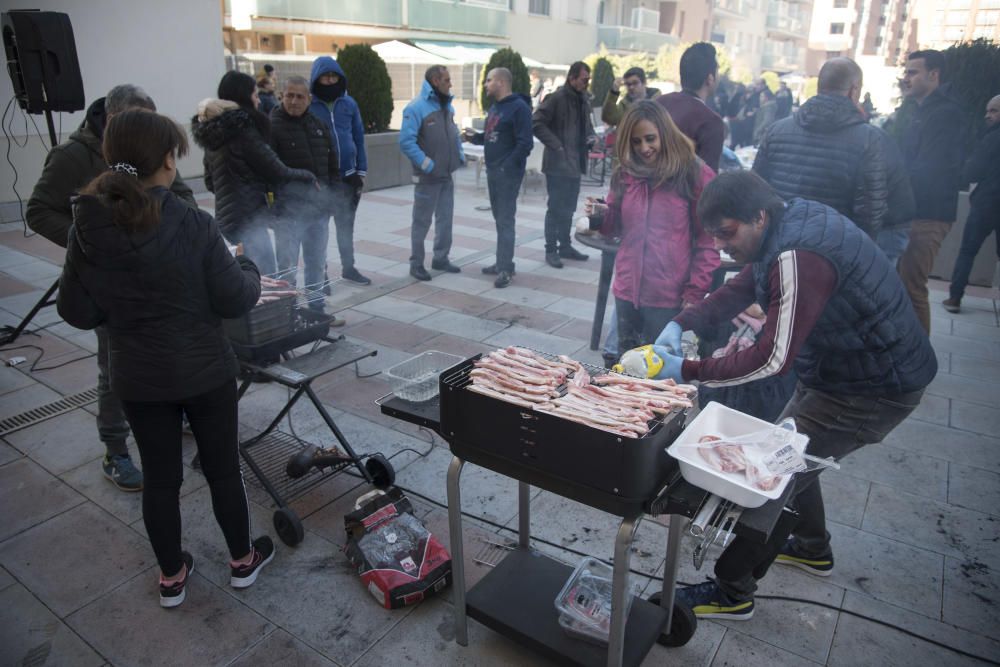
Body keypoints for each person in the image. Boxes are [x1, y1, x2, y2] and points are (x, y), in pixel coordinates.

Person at [653, 171, 936, 620]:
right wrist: (683, 322)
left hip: (874, 386)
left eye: (728, 234)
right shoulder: (786, 223)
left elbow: (771, 359)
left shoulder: (798, 253)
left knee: (771, 473)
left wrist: (687, 371)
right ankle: (811, 548)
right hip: (839, 368)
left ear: (759, 216)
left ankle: (733, 591)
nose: (723, 247)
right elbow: (743, 287)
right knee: (796, 453)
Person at [57, 109, 276, 608]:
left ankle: (172, 576)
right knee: (222, 468)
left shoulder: (86, 227)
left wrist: (116, 308)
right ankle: (243, 562)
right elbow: (235, 298)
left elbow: (75, 310)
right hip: (205, 372)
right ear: (166, 162)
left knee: (160, 477)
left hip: (136, 376)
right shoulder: (194, 223)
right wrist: (245, 263)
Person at [26, 84, 196, 492]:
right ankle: (115, 450)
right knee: (114, 366)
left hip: (157, 277)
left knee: (169, 348)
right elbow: (37, 210)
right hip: (110, 282)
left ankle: (178, 412)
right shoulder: (72, 156)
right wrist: (88, 242)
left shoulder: (153, 152)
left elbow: (184, 196)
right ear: (112, 120)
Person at [584, 101, 718, 352]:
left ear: (664, 134)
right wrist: (600, 216)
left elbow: (708, 241)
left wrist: (694, 293)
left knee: (658, 377)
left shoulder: (693, 173)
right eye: (636, 142)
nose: (644, 148)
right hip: (627, 290)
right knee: (626, 371)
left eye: (650, 139)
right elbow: (614, 227)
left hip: (669, 296)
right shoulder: (626, 171)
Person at [752, 57, 913, 242]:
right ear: (854, 90)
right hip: (834, 248)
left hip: (782, 240)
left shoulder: (776, 130)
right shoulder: (869, 139)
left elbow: (755, 189)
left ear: (820, 86)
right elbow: (869, 209)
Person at [193, 91, 316, 277]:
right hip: (247, 219)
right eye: (254, 95)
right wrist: (308, 177)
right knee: (264, 275)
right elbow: (278, 171)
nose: (258, 100)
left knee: (247, 270)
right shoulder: (243, 134)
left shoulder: (213, 140)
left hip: (227, 218)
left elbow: (210, 183)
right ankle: (263, 305)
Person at [896, 49, 966, 333]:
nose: (906, 78)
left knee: (912, 287)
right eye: (907, 72)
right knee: (902, 285)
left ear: (933, 75)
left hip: (929, 214)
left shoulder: (946, 114)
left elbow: (929, 168)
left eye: (913, 72)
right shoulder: (920, 110)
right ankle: (903, 351)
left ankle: (918, 360)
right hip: (916, 210)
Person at [269, 75, 345, 321]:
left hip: (318, 213)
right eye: (289, 95)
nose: (293, 101)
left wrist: (332, 201)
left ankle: (316, 311)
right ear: (282, 96)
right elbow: (267, 170)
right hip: (288, 214)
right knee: (287, 269)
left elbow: (333, 166)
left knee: (316, 265)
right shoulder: (272, 125)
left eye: (299, 96)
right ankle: (286, 316)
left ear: (309, 99)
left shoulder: (318, 125)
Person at [463, 67, 533, 289]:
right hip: (494, 172)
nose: (485, 84)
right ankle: (503, 262)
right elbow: (494, 136)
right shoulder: (496, 107)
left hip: (507, 174)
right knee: (500, 220)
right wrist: (476, 138)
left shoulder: (519, 108)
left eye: (489, 80)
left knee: (505, 220)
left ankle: (505, 269)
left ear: (501, 82)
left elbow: (525, 143)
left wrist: (506, 167)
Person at [308, 56, 371, 286]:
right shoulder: (310, 105)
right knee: (320, 230)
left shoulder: (349, 104)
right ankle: (320, 274)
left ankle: (349, 267)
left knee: (346, 226)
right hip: (323, 180)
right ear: (317, 78)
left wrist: (361, 170)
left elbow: (358, 136)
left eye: (334, 76)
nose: (330, 80)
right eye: (325, 76)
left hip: (349, 177)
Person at [399, 65, 465, 281]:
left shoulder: (448, 107)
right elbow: (406, 142)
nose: (450, 83)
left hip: (446, 174)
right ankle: (416, 264)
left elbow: (454, 135)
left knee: (445, 219)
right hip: (428, 178)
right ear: (435, 81)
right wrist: (426, 164)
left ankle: (441, 258)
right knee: (422, 222)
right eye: (447, 80)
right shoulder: (415, 108)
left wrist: (460, 155)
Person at [533, 61, 596, 268]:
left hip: (575, 164)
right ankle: (551, 250)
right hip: (557, 165)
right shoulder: (557, 98)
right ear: (572, 78)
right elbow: (536, 122)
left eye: (588, 80)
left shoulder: (583, 100)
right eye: (584, 79)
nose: (586, 83)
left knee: (568, 209)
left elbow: (586, 126)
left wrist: (590, 137)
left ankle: (565, 246)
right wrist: (557, 146)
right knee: (555, 209)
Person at [943, 94, 1000, 313]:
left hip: (986, 203)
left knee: (967, 251)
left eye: (994, 111)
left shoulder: (991, 138)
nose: (988, 115)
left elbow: (973, 170)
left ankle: (955, 298)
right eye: (988, 110)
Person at [656, 43, 726, 172]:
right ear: (710, 79)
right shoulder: (711, 122)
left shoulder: (658, 103)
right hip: (682, 191)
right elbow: (707, 180)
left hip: (646, 189)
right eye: (717, 71)